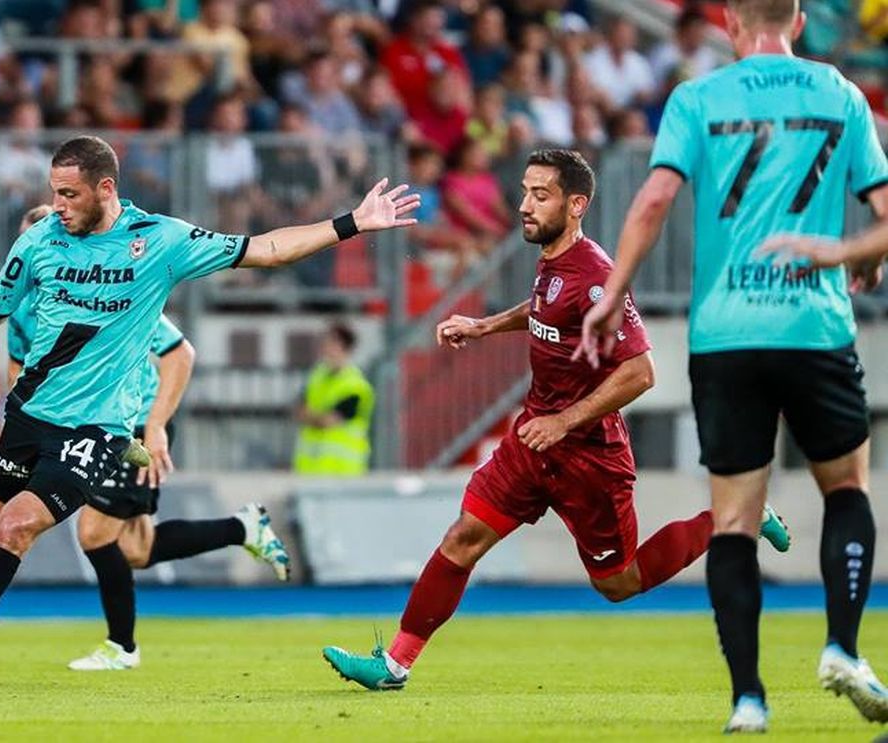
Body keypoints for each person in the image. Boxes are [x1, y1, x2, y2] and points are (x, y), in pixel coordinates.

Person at [0, 134, 419, 687]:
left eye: (69, 194)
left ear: (105, 188)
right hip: (27, 418)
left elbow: (266, 249)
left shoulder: (159, 241)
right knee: (20, 530)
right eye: (53, 193)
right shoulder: (38, 243)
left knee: (24, 530)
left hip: (97, 428)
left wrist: (351, 223)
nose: (58, 206)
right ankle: (231, 531)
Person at [321, 148, 792, 695]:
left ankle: (740, 514)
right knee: (463, 539)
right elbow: (544, 306)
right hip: (533, 440)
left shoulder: (598, 277)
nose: (524, 205)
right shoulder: (553, 264)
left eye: (539, 195)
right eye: (524, 191)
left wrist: (566, 421)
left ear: (576, 205)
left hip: (588, 453)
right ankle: (395, 664)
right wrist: (482, 325)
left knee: (620, 582)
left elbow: (641, 372)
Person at [576, 0, 888, 732]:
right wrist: (849, 254)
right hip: (814, 325)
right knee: (846, 487)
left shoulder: (697, 98)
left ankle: (748, 698)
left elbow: (654, 199)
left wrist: (610, 293)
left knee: (735, 519)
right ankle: (843, 644)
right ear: (801, 21)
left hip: (724, 333)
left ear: (729, 25)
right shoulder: (839, 92)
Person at [4, 203, 288, 671]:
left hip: (131, 420)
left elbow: (180, 352)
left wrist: (155, 426)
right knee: (135, 549)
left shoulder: (106, 291)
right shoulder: (22, 310)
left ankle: (123, 648)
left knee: (94, 532)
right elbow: (21, 373)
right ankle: (243, 527)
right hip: (85, 423)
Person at [293, 323, 375, 476]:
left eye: (331, 343)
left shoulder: (355, 385)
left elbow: (329, 421)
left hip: (343, 473)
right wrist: (317, 417)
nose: (325, 348)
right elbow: (299, 412)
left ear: (345, 348)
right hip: (310, 472)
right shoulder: (316, 377)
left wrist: (312, 416)